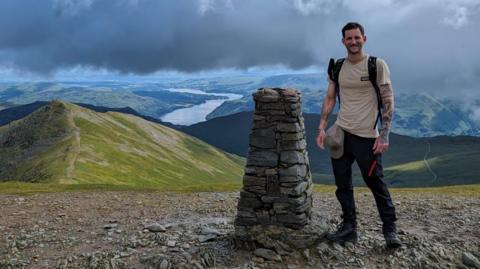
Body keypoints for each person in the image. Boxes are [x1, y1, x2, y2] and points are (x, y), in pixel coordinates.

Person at [316, 22, 401, 248]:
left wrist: (384, 135)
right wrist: (322, 127)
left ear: (364, 38)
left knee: (375, 183)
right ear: (343, 41)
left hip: (367, 137)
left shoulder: (376, 65)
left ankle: (390, 230)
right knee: (342, 184)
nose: (353, 42)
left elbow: (388, 100)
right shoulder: (337, 67)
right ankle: (349, 228)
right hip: (341, 134)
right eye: (349, 38)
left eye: (357, 37)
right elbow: (330, 98)